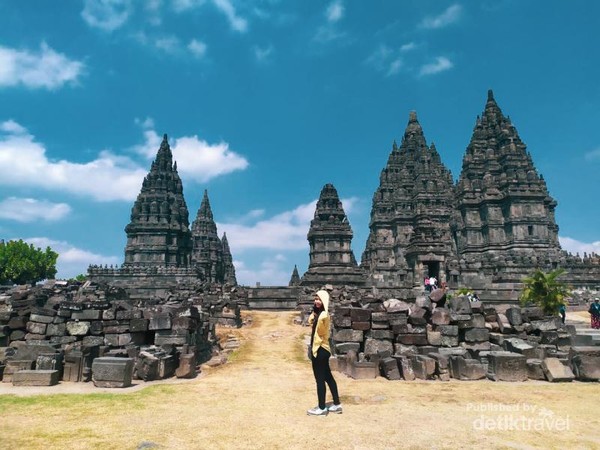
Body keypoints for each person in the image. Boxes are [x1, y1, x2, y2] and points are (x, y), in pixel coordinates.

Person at [307, 289, 342, 416]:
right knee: (328, 377)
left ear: (324, 301)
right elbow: (310, 321)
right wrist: (315, 313)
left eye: (319, 299)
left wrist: (313, 350)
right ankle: (337, 404)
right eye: (315, 299)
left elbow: (319, 333)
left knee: (320, 380)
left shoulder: (322, 315)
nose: (316, 301)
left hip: (320, 349)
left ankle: (321, 408)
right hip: (324, 349)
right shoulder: (321, 313)